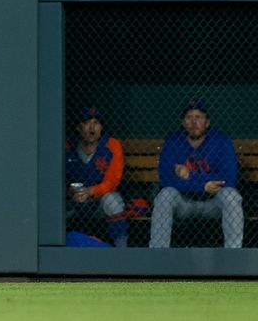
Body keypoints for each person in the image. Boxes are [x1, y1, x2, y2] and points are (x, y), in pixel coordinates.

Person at [149, 98, 243, 248]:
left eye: (199, 117)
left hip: (213, 203)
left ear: (207, 122)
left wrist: (191, 178)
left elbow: (229, 178)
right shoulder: (173, 141)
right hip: (184, 202)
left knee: (231, 196)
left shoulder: (221, 141)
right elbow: (166, 179)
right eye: (189, 117)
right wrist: (203, 185)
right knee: (165, 195)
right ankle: (158, 256)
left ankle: (234, 255)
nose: (194, 122)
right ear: (183, 122)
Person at [65, 106, 128, 247]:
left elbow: (113, 181)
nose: (92, 128)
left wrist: (91, 191)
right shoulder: (67, 146)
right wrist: (69, 191)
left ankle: (122, 252)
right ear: (79, 127)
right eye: (87, 123)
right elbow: (56, 180)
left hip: (98, 200)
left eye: (96, 123)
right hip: (73, 201)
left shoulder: (112, 145)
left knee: (113, 200)